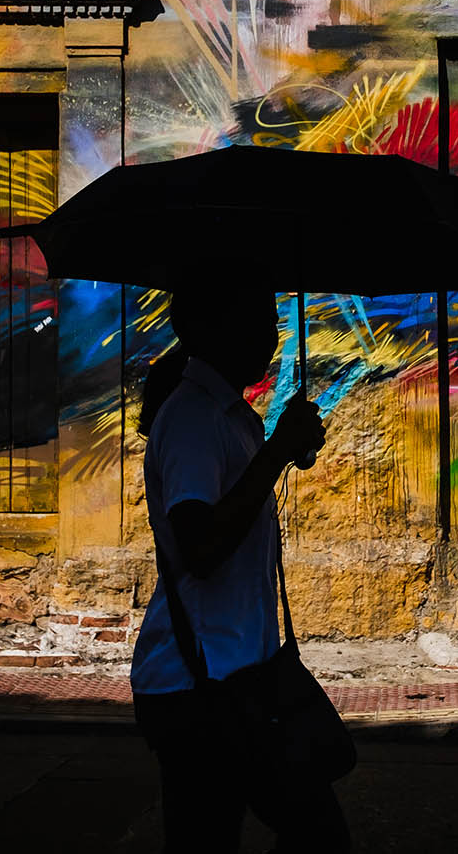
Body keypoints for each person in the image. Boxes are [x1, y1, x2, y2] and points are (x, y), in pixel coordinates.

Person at [131, 288, 346, 853]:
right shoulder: (195, 420)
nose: (272, 339)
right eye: (259, 323)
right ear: (217, 330)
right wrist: (275, 453)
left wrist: (279, 448)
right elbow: (199, 546)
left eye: (272, 323)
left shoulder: (230, 416)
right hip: (198, 687)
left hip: (239, 678)